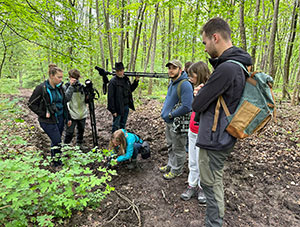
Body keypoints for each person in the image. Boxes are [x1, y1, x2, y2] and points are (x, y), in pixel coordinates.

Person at [192, 18, 252, 226]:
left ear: (215, 37)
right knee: (214, 181)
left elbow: (197, 104)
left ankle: (214, 223)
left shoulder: (227, 68)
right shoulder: (239, 65)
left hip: (215, 138)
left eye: (205, 42)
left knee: (210, 184)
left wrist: (198, 92)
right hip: (223, 134)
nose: (206, 48)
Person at [180, 61, 210, 204]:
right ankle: (191, 184)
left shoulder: (210, 88)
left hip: (204, 131)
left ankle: (202, 187)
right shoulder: (196, 88)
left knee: (202, 161)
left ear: (199, 74)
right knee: (192, 159)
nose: (190, 78)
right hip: (193, 128)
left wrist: (200, 95)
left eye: (192, 75)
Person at [28, 64, 69, 166]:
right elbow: (31, 104)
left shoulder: (60, 88)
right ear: (51, 76)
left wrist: (68, 118)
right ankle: (56, 163)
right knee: (57, 141)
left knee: (56, 141)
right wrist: (43, 114)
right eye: (58, 77)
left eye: (62, 77)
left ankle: (55, 160)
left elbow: (64, 104)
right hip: (47, 120)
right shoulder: (42, 88)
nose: (61, 79)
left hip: (60, 118)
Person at [159, 59, 193, 180]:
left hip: (177, 123)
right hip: (168, 122)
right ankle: (170, 165)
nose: (171, 70)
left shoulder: (184, 84)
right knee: (170, 146)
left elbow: (187, 106)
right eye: (169, 68)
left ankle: (177, 170)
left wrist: (171, 115)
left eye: (174, 68)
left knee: (178, 148)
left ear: (181, 69)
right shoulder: (172, 82)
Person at [107, 62, 139, 133]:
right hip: (117, 108)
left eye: (121, 70)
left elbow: (130, 90)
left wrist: (136, 81)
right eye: (118, 71)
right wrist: (113, 110)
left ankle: (121, 140)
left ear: (123, 70)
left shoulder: (126, 79)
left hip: (126, 106)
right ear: (116, 71)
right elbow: (110, 97)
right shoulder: (113, 82)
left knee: (123, 124)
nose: (119, 72)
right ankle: (114, 141)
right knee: (116, 125)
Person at [63, 69, 88, 149]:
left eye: (76, 78)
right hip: (71, 113)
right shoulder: (66, 87)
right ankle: (66, 146)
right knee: (69, 132)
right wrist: (71, 86)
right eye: (73, 78)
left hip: (82, 113)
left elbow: (87, 100)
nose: (75, 80)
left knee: (81, 130)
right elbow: (66, 98)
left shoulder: (81, 87)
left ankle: (79, 144)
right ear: (69, 77)